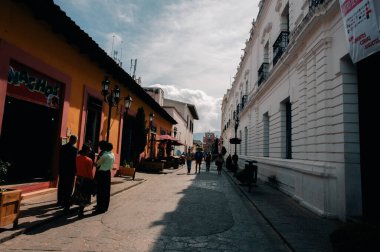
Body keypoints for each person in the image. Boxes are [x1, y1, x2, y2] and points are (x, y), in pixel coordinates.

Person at [72, 144, 94, 217]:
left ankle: (67, 207)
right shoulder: (89, 160)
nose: (90, 152)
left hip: (79, 178)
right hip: (86, 179)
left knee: (77, 193)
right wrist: (92, 179)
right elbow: (90, 172)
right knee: (84, 195)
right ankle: (80, 212)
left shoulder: (77, 158)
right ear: (86, 150)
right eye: (89, 150)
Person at [57, 135, 78, 212]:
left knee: (61, 184)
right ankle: (66, 202)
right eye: (76, 140)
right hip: (70, 170)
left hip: (62, 169)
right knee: (69, 186)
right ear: (74, 140)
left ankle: (60, 201)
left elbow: (60, 158)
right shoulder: (74, 149)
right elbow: (75, 161)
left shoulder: (63, 147)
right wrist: (76, 171)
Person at [93, 142, 115, 214]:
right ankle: (105, 207)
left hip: (102, 174)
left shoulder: (104, 156)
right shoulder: (112, 155)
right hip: (108, 173)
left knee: (101, 192)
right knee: (106, 191)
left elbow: (97, 164)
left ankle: (100, 208)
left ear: (105, 148)